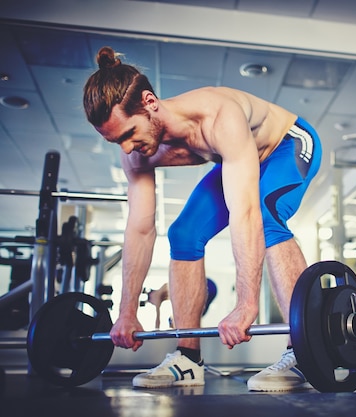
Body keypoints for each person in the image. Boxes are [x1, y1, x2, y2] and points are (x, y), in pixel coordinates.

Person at [83, 46, 322, 391]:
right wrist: (126, 311)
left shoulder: (217, 117)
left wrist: (246, 303)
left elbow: (246, 212)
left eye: (127, 134)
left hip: (288, 143)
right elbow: (139, 229)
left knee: (266, 215)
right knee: (183, 234)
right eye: (114, 140)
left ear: (150, 103)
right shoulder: (136, 155)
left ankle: (305, 349)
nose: (125, 148)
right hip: (238, 158)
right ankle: (188, 358)